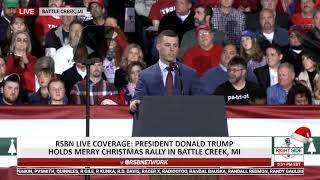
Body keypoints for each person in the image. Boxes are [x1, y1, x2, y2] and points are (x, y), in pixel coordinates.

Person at [129, 30, 200, 112]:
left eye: (175, 45)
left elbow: (199, 103)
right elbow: (137, 101)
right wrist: (134, 105)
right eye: (167, 45)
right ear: (158, 46)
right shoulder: (146, 75)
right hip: (155, 122)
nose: (172, 49)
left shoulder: (190, 74)